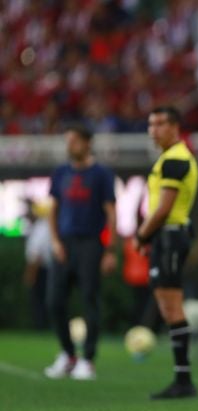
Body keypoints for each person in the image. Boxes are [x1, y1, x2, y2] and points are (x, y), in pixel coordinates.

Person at [135, 106, 198, 399]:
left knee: (172, 306)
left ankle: (184, 380)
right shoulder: (169, 157)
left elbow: (163, 209)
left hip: (171, 235)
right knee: (166, 304)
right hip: (166, 237)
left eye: (159, 123)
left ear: (175, 127)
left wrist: (142, 234)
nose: (153, 129)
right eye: (150, 124)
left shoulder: (176, 158)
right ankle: (182, 378)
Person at [44, 125, 117, 380]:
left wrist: (109, 250)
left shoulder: (101, 174)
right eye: (68, 140)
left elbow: (110, 214)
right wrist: (54, 241)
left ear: (87, 143)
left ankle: (88, 359)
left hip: (90, 243)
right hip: (65, 242)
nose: (70, 145)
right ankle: (67, 354)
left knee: (90, 300)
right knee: (54, 300)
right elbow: (52, 209)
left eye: (74, 140)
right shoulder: (61, 173)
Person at [23, 199, 53, 330]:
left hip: (42, 270)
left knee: (40, 300)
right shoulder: (42, 227)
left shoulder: (41, 228)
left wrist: (31, 274)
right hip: (44, 269)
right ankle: (43, 326)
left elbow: (36, 255)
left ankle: (42, 327)